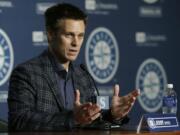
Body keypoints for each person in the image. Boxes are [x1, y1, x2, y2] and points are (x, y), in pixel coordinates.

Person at [8, 3, 140, 131]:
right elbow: (19, 120)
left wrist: (112, 115)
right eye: (69, 35)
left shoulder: (83, 76)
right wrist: (73, 119)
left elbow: (91, 120)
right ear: (50, 34)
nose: (76, 43)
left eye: (80, 36)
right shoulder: (26, 73)